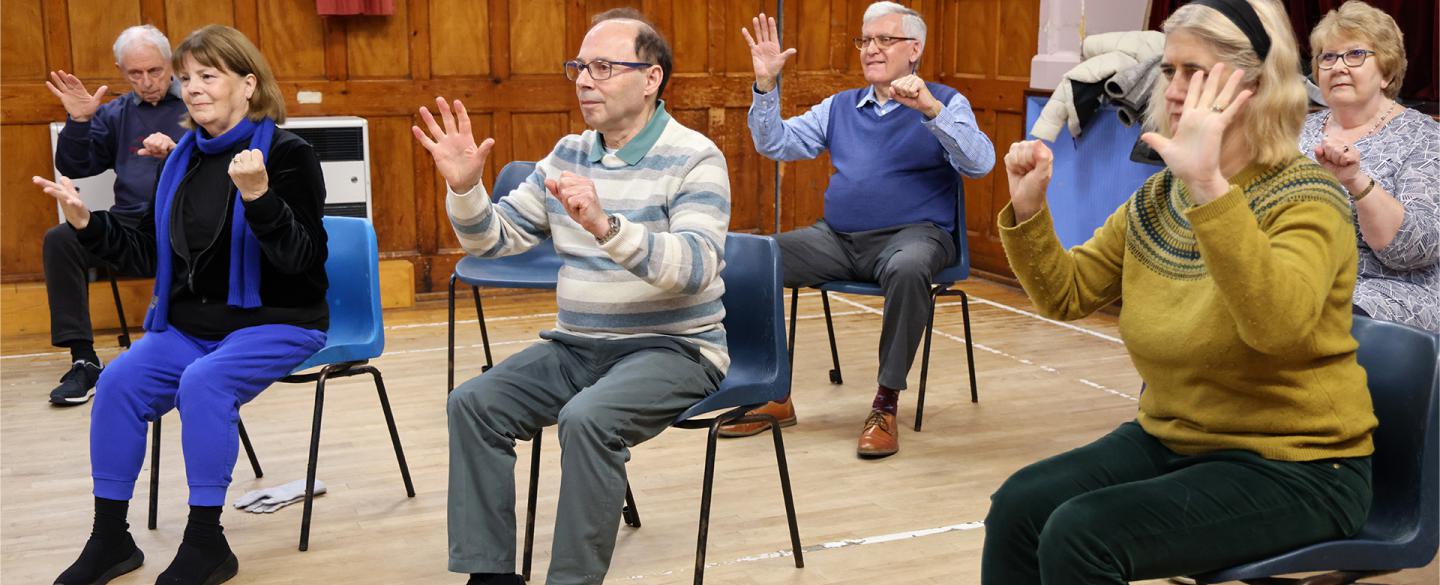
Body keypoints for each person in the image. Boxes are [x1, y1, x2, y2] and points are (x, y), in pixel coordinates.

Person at [982, 0, 1376, 582]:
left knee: (1083, 533)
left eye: (1196, 73)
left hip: (1302, 466)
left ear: (1255, 86)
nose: (1173, 89)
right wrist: (1030, 208)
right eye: (1170, 71)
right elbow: (1064, 295)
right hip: (1175, 437)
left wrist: (1210, 187)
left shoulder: (1307, 195)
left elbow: (1278, 327)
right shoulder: (1160, 197)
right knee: (1018, 507)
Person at [418, 9, 731, 584]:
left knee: (587, 419)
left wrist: (607, 227)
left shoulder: (696, 158)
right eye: (580, 67)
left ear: (651, 78)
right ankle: (490, 576)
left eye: (604, 67)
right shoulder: (567, 154)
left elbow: (696, 267)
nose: (585, 79)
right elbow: (495, 239)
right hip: (578, 346)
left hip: (674, 349)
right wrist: (464, 188)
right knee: (474, 404)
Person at [35, 24, 329, 585]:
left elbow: (304, 262)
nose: (192, 88)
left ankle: (206, 542)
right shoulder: (181, 158)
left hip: (279, 321)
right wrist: (86, 226)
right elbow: (146, 249)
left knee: (204, 381)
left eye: (207, 76)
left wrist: (260, 198)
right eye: (187, 77)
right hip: (193, 324)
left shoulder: (289, 155)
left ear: (248, 85)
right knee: (119, 382)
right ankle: (110, 539)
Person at [722, 1, 995, 458]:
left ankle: (885, 406)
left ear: (914, 49)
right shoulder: (840, 106)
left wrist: (929, 109)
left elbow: (980, 163)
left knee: (909, 269)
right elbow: (775, 143)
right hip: (838, 239)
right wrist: (766, 85)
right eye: (864, 40)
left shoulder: (946, 101)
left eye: (883, 40)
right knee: (747, 262)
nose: (870, 49)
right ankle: (771, 393)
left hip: (916, 236)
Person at [44, 24, 187, 406]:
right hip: (131, 225)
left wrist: (178, 154)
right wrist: (78, 122)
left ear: (170, 64)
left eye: (154, 71)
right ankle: (83, 360)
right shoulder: (118, 112)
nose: (146, 81)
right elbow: (77, 164)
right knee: (61, 238)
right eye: (134, 74)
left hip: (186, 222)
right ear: (121, 71)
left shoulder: (198, 101)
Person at [1301, 0, 1438, 332]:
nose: (1338, 67)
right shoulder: (1296, 131)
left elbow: (1414, 249)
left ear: (1387, 73)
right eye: (1328, 57)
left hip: (1386, 291)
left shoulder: (1424, 137)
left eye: (1356, 55)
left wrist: (1357, 182)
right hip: (1294, 275)